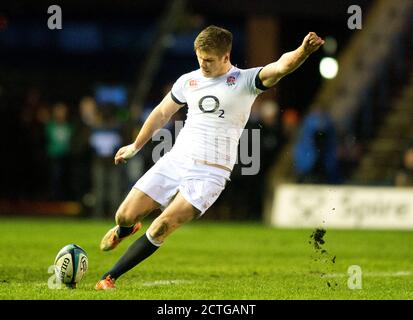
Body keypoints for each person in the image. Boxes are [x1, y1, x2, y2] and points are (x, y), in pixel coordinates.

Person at [95, 25, 324, 290]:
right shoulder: (188, 81)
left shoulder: (245, 81)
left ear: (226, 57)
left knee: (161, 226)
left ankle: (109, 278)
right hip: (177, 160)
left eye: (209, 60)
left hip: (211, 173)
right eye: (199, 58)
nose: (203, 64)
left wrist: (303, 52)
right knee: (124, 215)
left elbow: (281, 67)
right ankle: (126, 229)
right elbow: (161, 113)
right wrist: (135, 145)